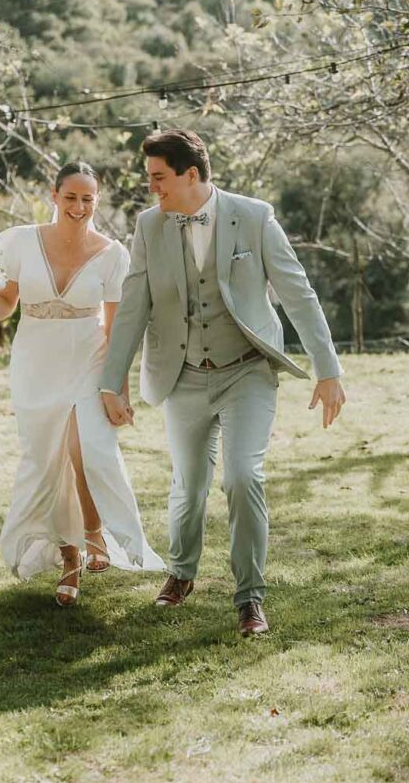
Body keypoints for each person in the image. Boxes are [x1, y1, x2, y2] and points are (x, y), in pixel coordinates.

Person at [100, 129, 346, 636]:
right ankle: (182, 573)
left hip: (247, 371)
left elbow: (297, 293)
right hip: (183, 375)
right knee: (189, 487)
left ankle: (249, 597)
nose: (153, 189)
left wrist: (328, 368)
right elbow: (132, 307)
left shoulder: (254, 217)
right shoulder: (149, 226)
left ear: (191, 175)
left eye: (159, 178)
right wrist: (113, 381)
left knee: (242, 476)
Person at [0, 161, 164, 606]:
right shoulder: (20, 241)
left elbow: (117, 330)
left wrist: (118, 389)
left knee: (87, 450)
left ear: (97, 201)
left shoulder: (114, 255)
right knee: (47, 458)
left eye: (88, 199)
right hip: (36, 361)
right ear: (53, 195)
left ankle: (95, 532)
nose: (79, 206)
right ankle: (70, 558)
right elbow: (5, 301)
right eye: (71, 197)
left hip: (89, 360)